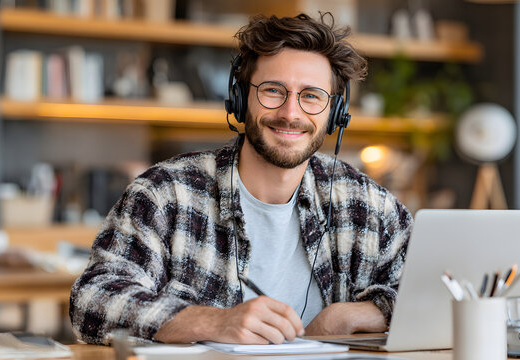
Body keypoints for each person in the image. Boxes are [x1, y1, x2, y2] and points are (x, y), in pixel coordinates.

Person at [69, 12, 413, 346]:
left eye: (311, 96)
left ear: (334, 113)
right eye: (273, 90)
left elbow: (445, 292)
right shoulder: (165, 195)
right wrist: (213, 321)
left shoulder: (368, 206)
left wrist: (355, 316)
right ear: (240, 97)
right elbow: (92, 302)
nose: (291, 113)